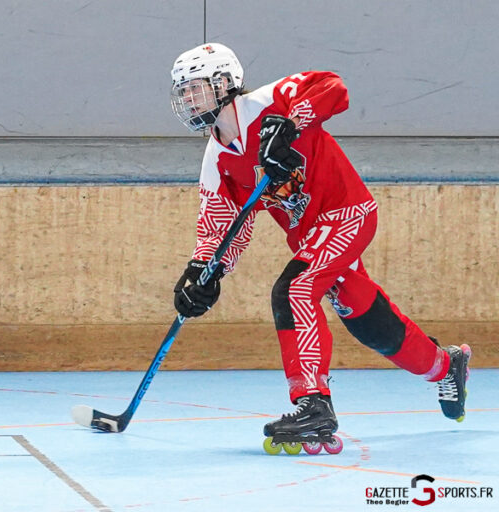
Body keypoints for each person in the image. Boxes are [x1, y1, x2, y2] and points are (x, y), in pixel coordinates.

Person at [168, 42, 471, 455]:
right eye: (181, 91)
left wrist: (291, 123)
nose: (186, 99)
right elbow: (222, 227)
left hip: (348, 214)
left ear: (224, 84)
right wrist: (204, 271)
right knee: (366, 319)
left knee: (294, 290)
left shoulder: (272, 100)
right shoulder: (216, 160)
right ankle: (444, 365)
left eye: (194, 88)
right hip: (311, 238)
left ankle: (313, 403)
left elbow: (334, 88)